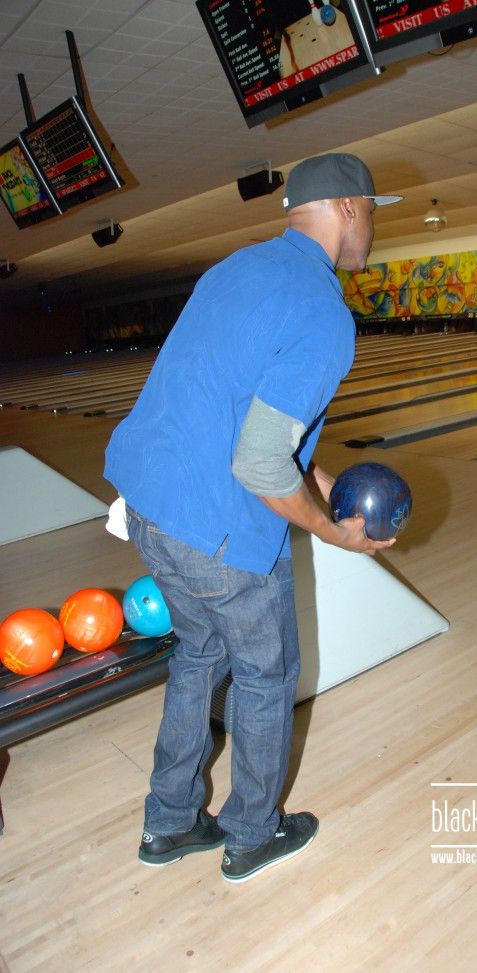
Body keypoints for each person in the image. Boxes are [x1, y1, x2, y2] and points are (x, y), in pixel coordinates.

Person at [104, 153, 403, 883]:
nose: (373, 225)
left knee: (199, 653)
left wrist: (319, 479)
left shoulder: (234, 269)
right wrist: (329, 530)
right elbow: (262, 462)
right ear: (346, 208)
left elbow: (234, 404)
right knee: (267, 675)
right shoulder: (324, 311)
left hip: (148, 507)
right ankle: (252, 834)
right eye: (372, 210)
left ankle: (170, 821)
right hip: (218, 531)